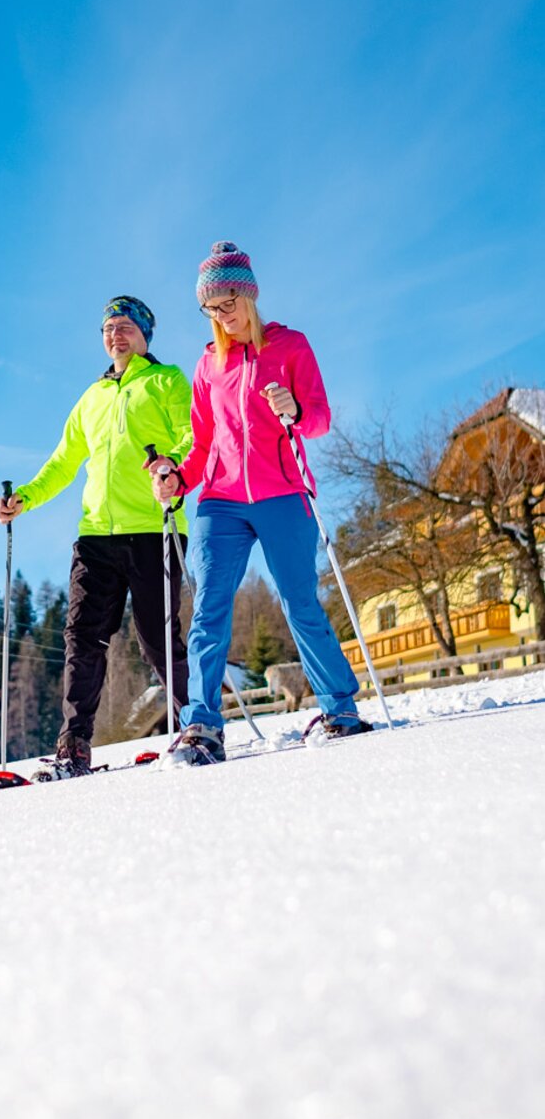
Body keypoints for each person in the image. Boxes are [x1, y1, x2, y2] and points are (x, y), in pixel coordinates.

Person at [149, 241, 368, 765]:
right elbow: (202, 442)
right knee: (209, 608)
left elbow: (319, 418)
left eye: (228, 303)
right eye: (210, 308)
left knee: (299, 601)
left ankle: (340, 708)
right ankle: (202, 723)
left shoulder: (290, 346)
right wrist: (178, 477)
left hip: (283, 492)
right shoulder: (208, 366)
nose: (221, 315)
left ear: (249, 296)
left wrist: (295, 409)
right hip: (221, 500)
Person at [0, 296, 193, 778]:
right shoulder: (92, 397)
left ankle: (196, 723)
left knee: (157, 639)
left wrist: (174, 468)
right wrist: (25, 497)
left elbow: (192, 435)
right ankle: (75, 744)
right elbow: (64, 461)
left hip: (154, 526)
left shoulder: (167, 380)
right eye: (108, 328)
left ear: (144, 334)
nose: (115, 335)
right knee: (83, 637)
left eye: (125, 326)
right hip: (95, 536)